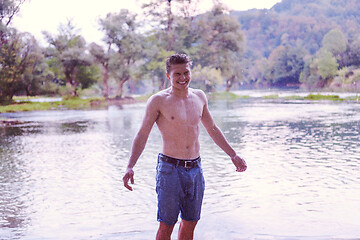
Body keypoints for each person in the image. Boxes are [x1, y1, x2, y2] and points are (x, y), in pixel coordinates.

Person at [122, 53, 247, 240]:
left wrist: (233, 155)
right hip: (169, 169)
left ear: (190, 72)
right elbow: (142, 134)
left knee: (190, 223)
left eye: (186, 73)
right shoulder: (158, 101)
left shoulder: (199, 97)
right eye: (177, 74)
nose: (183, 78)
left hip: (195, 169)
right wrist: (130, 166)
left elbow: (212, 128)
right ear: (168, 76)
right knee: (166, 225)